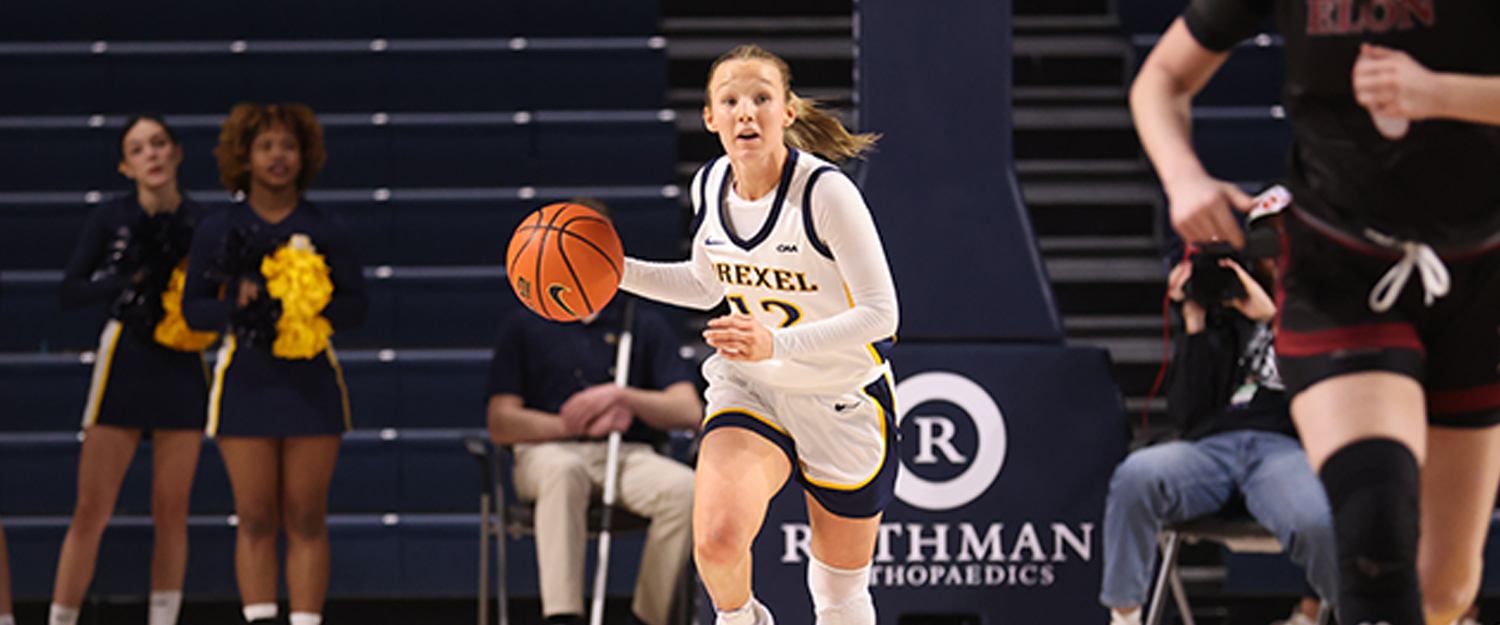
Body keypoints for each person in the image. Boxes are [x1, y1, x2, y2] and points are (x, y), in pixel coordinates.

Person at [1130, 4, 1500, 625]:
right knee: (1374, 531)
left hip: (1478, 275)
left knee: (1443, 589)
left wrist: (1441, 94)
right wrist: (1184, 178)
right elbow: (1162, 77)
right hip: (1341, 271)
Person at [618, 44, 898, 625]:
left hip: (840, 393)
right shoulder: (711, 184)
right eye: (731, 101)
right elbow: (704, 283)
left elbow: (882, 315)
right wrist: (616, 272)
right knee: (717, 545)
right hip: (752, 387)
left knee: (839, 596)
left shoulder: (826, 193)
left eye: (762, 99)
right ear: (710, 117)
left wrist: (779, 343)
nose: (747, 112)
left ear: (787, 113)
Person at [183, 103, 368, 625]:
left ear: (304, 155)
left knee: (307, 516)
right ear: (244, 156)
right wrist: (237, 304)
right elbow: (192, 311)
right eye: (266, 146)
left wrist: (311, 303)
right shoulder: (219, 227)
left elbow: (358, 308)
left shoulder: (327, 228)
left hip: (310, 383)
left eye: (288, 145)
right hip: (245, 381)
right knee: (257, 517)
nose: (278, 156)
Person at [1100, 228, 1336, 625]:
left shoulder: (1331, 312)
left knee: (1317, 520)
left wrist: (1276, 321)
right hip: (1214, 447)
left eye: (1283, 255)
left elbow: (1333, 397)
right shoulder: (1229, 316)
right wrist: (1196, 324)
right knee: (1136, 476)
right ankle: (1125, 618)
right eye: (1267, 257)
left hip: (1286, 448)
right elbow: (1189, 415)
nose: (1277, 265)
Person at [51, 114, 215, 625]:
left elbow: (220, 297)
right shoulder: (110, 217)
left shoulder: (204, 222)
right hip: (125, 358)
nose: (153, 155)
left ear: (177, 152)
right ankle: (61, 619)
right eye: (139, 148)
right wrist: (122, 279)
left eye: (160, 143)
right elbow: (69, 291)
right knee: (91, 510)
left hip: (182, 363)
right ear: (127, 165)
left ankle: (163, 620)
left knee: (172, 512)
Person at [485, 276, 702, 625]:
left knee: (686, 490)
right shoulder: (525, 324)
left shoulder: (639, 322)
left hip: (627, 454)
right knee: (564, 471)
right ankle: (563, 615)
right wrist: (571, 425)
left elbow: (690, 412)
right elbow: (501, 421)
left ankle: (647, 618)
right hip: (546, 453)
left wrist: (621, 396)